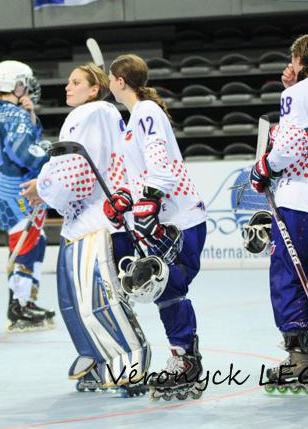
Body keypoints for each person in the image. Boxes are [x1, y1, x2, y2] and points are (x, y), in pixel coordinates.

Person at [19, 64, 151, 393]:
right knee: (77, 301)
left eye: (76, 82)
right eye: (68, 81)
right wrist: (47, 184)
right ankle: (99, 362)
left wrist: (44, 187)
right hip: (93, 223)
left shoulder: (89, 113)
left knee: (97, 301)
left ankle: (128, 365)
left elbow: (75, 174)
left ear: (95, 89)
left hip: (97, 225)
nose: (67, 86)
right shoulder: (104, 114)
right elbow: (79, 168)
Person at [106, 54, 208, 401]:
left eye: (110, 78)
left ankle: (187, 362)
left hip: (178, 217)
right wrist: (124, 197)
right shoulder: (133, 119)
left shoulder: (146, 112)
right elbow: (136, 173)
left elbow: (160, 164)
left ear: (120, 80)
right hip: (160, 218)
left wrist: (147, 200)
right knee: (163, 289)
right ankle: (184, 358)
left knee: (168, 287)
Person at [250, 34, 308, 393]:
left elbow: (291, 142)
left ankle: (296, 355)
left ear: (299, 58)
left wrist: (265, 167)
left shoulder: (294, 95)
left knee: (288, 274)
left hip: (298, 199)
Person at [0, 60, 55, 332]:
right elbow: (25, 153)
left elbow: (21, 142)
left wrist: (32, 117)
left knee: (30, 243)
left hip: (7, 190)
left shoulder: (1, 112)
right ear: (16, 85)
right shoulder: (13, 115)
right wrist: (52, 153)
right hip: (19, 191)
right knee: (27, 245)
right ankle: (20, 306)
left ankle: (24, 302)